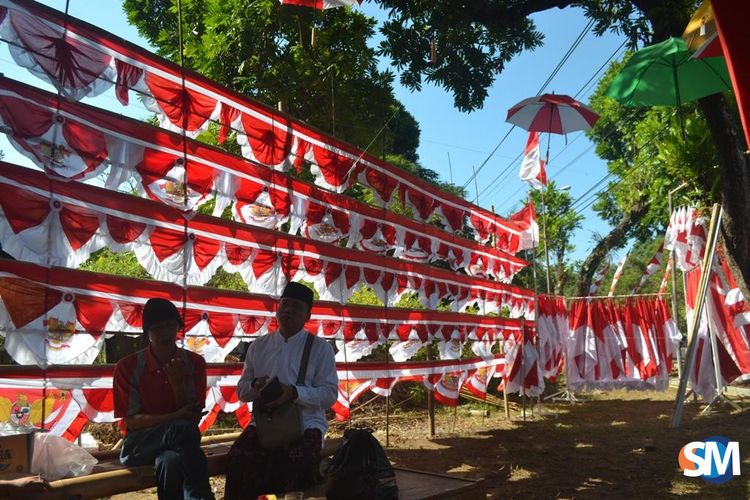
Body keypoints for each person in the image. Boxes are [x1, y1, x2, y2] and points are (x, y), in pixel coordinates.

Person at [224, 282, 338, 499]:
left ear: (307, 315)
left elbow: (329, 395)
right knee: (239, 459)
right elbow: (242, 392)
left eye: (296, 306)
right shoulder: (259, 346)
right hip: (265, 424)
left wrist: (294, 393)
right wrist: (256, 386)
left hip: (306, 424)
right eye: (284, 304)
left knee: (295, 461)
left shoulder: (320, 348)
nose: (288, 310)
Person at [113, 298, 214, 500]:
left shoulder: (194, 363)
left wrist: (177, 385)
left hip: (180, 446)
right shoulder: (128, 367)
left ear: (178, 327)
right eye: (156, 327)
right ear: (147, 333)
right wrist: (174, 416)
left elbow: (192, 417)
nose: (164, 332)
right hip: (138, 445)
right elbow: (132, 421)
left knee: (170, 462)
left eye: (169, 325)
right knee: (181, 429)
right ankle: (201, 497)